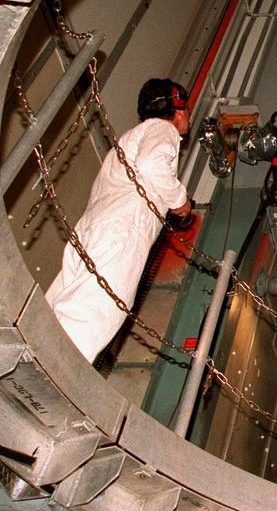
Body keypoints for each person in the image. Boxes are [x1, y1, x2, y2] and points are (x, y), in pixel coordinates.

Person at [46, 78, 193, 361]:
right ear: (177, 107)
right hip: (123, 229)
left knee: (64, 302)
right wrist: (180, 202)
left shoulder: (127, 141)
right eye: (185, 108)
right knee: (96, 309)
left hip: (93, 228)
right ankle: (53, 376)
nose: (188, 115)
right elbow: (152, 165)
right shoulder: (163, 130)